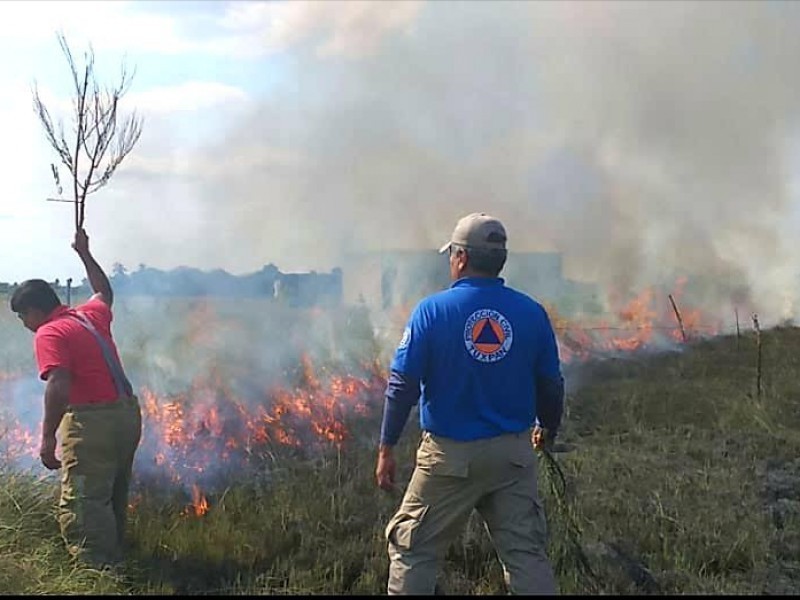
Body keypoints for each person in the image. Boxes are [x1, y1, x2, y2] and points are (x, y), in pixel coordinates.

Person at [375, 212, 565, 595]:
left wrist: (387, 447)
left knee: (414, 551)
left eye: (451, 255)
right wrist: (547, 428)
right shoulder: (531, 312)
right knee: (526, 555)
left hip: (449, 459)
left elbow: (402, 385)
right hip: (513, 456)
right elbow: (551, 384)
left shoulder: (432, 311)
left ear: (461, 258)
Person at [10, 228, 141, 568]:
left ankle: (97, 576)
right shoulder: (89, 315)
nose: (24, 323)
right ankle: (116, 559)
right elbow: (103, 291)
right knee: (111, 494)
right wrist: (84, 252)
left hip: (92, 424)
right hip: (127, 417)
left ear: (35, 310)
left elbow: (59, 382)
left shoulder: (49, 332)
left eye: (23, 315)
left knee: (83, 504)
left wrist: (46, 437)